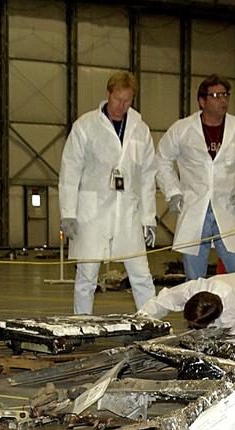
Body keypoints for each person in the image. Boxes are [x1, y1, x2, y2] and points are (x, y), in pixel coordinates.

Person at [58, 71, 158, 314]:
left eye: (127, 101)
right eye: (117, 99)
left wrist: (148, 218)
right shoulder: (85, 126)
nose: (121, 106)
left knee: (141, 275)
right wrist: (68, 213)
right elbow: (69, 171)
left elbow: (147, 177)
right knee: (86, 278)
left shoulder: (140, 130)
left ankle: (152, 325)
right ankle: (81, 325)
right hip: (91, 214)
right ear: (108, 94)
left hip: (128, 214)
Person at [157, 75, 235, 280]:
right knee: (194, 279)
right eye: (215, 96)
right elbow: (162, 160)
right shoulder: (182, 129)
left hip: (228, 208)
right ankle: (196, 310)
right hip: (195, 208)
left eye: (225, 95)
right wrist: (173, 192)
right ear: (202, 101)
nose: (222, 100)